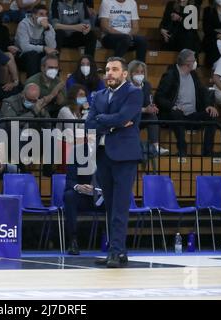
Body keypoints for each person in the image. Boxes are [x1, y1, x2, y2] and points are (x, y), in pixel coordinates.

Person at [85, 57, 143, 268]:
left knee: (119, 206)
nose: (109, 73)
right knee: (109, 206)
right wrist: (113, 122)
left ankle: (115, 251)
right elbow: (89, 123)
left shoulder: (134, 93)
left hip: (125, 156)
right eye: (107, 70)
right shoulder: (97, 95)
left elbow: (124, 117)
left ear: (124, 73)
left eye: (115, 69)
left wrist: (105, 120)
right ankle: (118, 251)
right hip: (103, 155)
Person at [154, 49, 219, 157]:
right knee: (177, 113)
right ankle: (182, 150)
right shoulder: (171, 75)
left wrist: (209, 105)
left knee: (211, 115)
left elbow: (203, 91)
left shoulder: (193, 74)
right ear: (187, 62)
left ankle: (208, 151)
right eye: (194, 60)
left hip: (191, 115)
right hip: (175, 115)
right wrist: (173, 106)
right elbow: (159, 97)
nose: (195, 62)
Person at [128, 60, 169, 155]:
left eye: (142, 72)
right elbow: (127, 108)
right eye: (137, 72)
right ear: (130, 73)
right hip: (128, 118)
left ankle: (155, 147)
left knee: (152, 116)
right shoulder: (126, 87)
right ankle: (133, 148)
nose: (140, 74)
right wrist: (145, 109)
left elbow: (149, 102)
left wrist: (152, 107)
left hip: (141, 117)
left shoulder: (146, 85)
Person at [63, 156, 103, 255]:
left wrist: (100, 189)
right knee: (69, 196)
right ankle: (73, 241)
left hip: (102, 198)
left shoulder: (109, 153)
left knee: (116, 198)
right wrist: (78, 187)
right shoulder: (76, 154)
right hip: (83, 198)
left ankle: (115, 243)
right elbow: (69, 181)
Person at [15, 4, 57, 77]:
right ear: (34, 15)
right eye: (41, 14)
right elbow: (24, 47)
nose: (44, 17)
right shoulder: (24, 24)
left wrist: (47, 29)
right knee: (32, 54)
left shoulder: (48, 26)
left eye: (45, 15)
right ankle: (32, 83)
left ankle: (52, 83)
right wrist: (43, 48)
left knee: (52, 56)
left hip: (39, 57)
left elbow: (52, 47)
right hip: (23, 56)